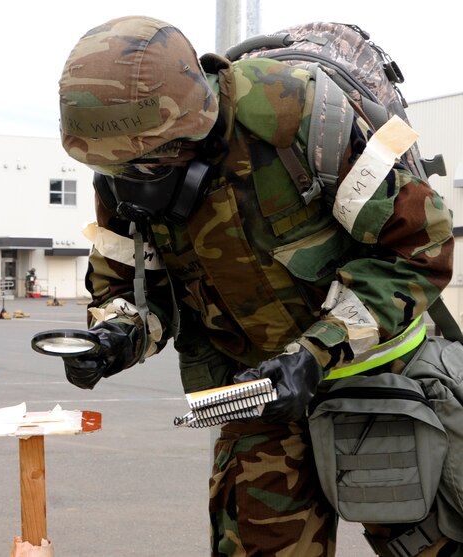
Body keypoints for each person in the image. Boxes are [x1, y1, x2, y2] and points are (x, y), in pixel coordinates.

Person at [56, 16, 458, 556]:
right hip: (260, 398)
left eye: (152, 160)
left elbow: (420, 250)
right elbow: (127, 289)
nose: (132, 176)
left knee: (433, 545)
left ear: (191, 123)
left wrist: (317, 352)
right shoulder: (125, 162)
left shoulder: (305, 118)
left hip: (380, 380)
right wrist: (115, 338)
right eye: (120, 164)